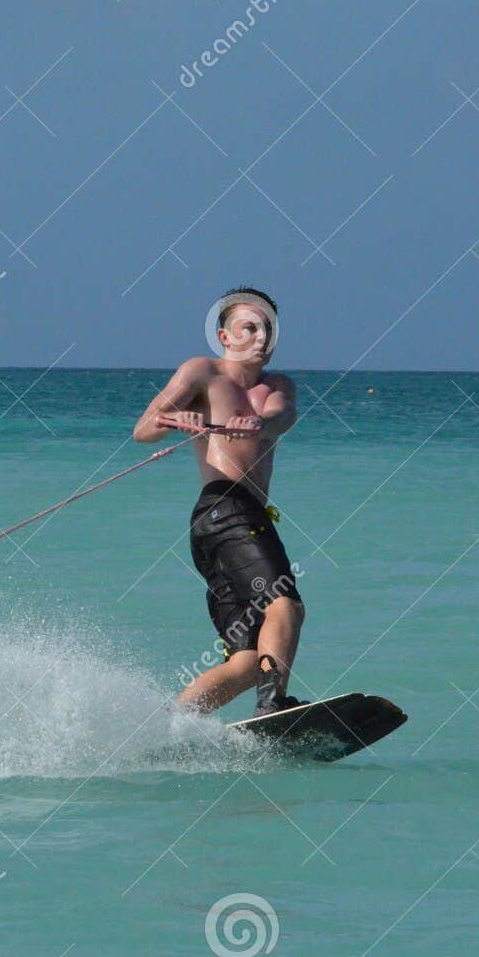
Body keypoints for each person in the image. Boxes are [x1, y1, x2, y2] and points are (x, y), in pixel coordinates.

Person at [133, 287, 306, 717]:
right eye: (250, 328)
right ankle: (273, 708)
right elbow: (144, 429)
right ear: (225, 336)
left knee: (248, 661)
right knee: (285, 605)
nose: (261, 338)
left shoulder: (277, 387)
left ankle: (171, 726)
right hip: (224, 508)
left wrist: (260, 422)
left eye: (268, 329)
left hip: (239, 520)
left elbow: (284, 417)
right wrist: (179, 419)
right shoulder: (202, 372)